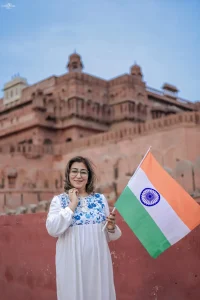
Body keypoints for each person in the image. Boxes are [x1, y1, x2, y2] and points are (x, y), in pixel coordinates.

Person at [46, 156, 122, 300]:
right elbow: (53, 229)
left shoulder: (100, 199)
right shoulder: (59, 201)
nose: (79, 176)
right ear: (68, 175)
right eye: (74, 171)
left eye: (83, 172)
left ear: (89, 176)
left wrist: (111, 227)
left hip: (98, 264)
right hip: (71, 264)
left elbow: (109, 235)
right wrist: (72, 205)